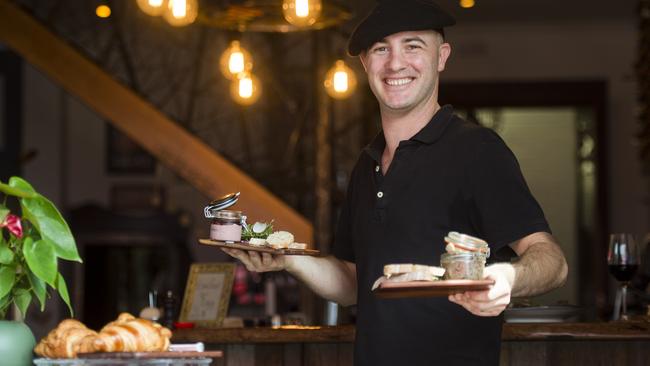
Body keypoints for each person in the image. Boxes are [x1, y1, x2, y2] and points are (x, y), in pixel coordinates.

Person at [222, 0, 568, 365]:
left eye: (413, 46)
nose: (395, 63)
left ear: (442, 56)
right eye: (381, 49)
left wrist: (507, 278)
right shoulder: (366, 165)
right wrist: (287, 260)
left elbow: (553, 262)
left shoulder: (477, 151)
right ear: (365, 64)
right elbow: (354, 283)